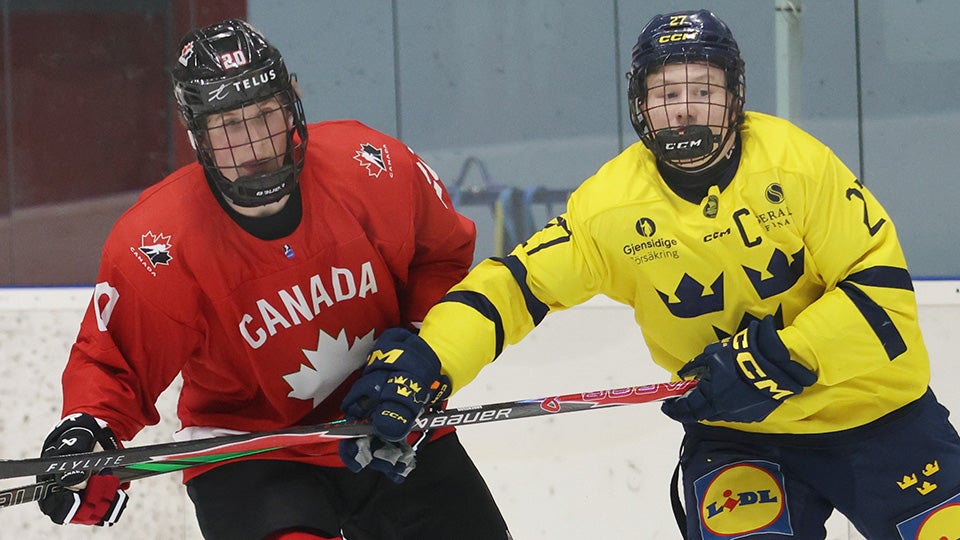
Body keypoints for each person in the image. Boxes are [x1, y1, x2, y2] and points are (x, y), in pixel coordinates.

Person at [341, 9, 960, 540]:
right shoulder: (612, 207)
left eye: (704, 91)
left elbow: (881, 296)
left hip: (881, 416)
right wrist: (429, 359)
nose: (685, 111)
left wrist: (773, 359)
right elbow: (516, 286)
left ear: (736, 96)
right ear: (641, 105)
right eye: (666, 95)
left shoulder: (798, 168)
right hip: (740, 435)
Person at [35, 18, 511, 540]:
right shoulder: (157, 244)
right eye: (228, 125)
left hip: (389, 418)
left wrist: (419, 359)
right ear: (197, 136)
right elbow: (114, 362)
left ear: (292, 106)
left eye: (265, 114)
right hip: (249, 453)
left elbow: (440, 258)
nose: (254, 144)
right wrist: (89, 432)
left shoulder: (374, 167)